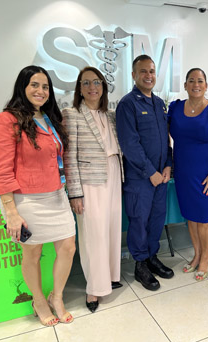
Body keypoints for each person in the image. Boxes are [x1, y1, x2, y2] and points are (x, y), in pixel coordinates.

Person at [0, 66, 76, 326]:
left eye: (45, 86)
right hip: (26, 200)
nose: (41, 91)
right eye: (34, 85)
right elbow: (2, 169)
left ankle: (57, 297)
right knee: (32, 254)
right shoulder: (6, 120)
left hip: (56, 195)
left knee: (68, 248)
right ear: (23, 87)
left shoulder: (50, 118)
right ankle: (38, 300)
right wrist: (11, 212)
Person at [63, 67, 124, 313]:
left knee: (111, 230)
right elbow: (69, 156)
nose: (92, 87)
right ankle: (93, 288)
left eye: (96, 82)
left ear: (103, 86)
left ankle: (109, 277)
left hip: (113, 175)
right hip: (89, 181)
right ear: (79, 88)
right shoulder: (72, 113)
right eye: (86, 83)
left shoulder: (110, 114)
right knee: (93, 234)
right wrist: (75, 192)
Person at [116, 55, 173, 291]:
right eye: (143, 71)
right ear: (133, 75)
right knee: (139, 221)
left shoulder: (159, 104)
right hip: (141, 179)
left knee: (156, 219)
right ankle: (140, 264)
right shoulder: (127, 104)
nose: (148, 75)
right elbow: (130, 144)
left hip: (162, 177)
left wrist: (168, 165)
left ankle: (151, 256)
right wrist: (151, 172)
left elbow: (166, 140)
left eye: (151, 71)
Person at [168, 68, 208, 281]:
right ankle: (196, 255)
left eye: (200, 81)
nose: (196, 84)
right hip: (184, 174)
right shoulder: (175, 108)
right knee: (191, 218)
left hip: (207, 175)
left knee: (204, 219)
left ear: (206, 86)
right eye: (191, 80)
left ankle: (206, 258)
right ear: (185, 85)